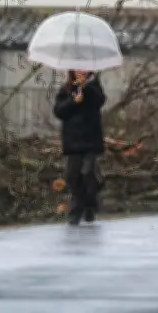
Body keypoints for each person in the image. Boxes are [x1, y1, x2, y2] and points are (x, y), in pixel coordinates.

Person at [53, 70, 106, 225]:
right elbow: (59, 111)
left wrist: (86, 89)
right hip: (73, 140)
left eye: (84, 69)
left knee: (88, 172)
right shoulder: (66, 89)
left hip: (91, 140)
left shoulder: (94, 87)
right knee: (72, 176)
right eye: (77, 69)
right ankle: (79, 209)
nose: (80, 72)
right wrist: (73, 101)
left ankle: (87, 205)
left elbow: (100, 101)